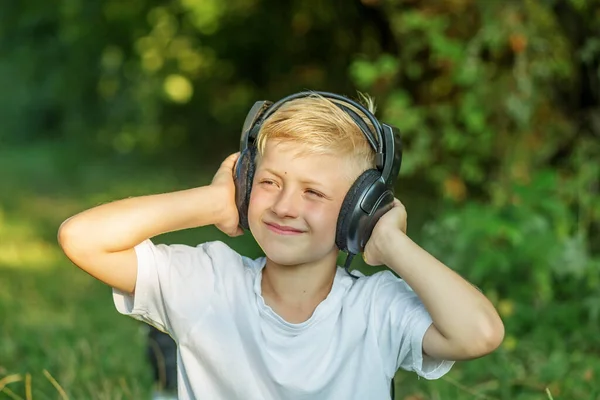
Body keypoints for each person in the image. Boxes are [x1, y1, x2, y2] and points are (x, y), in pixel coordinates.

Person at [58, 91, 504, 400]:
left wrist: (390, 241)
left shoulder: (376, 307)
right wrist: (214, 201)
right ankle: (165, 378)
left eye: (314, 193)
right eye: (269, 182)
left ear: (358, 210)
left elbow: (479, 333)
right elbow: (80, 238)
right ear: (247, 182)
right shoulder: (210, 283)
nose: (285, 207)